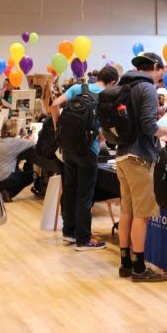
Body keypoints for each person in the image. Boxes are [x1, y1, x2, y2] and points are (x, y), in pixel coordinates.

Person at [116, 52, 167, 282]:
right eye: (161, 71)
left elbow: (136, 119)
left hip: (122, 155)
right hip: (140, 157)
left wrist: (155, 115)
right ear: (155, 66)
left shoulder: (127, 85)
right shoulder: (148, 88)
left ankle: (125, 263)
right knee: (142, 215)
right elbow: (148, 127)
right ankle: (140, 268)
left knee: (127, 211)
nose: (162, 77)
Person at [51, 65, 118, 251]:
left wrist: (58, 132)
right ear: (112, 82)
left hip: (68, 147)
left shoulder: (78, 88)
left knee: (70, 190)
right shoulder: (106, 96)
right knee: (85, 195)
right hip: (89, 150)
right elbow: (106, 128)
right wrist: (100, 135)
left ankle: (69, 233)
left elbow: (55, 105)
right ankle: (83, 239)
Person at [0, 117, 35, 202]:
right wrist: (30, 137)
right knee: (29, 177)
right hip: (5, 177)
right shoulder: (14, 142)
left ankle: (1, 190)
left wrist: (21, 141)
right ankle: (9, 193)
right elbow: (32, 142)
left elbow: (13, 144)